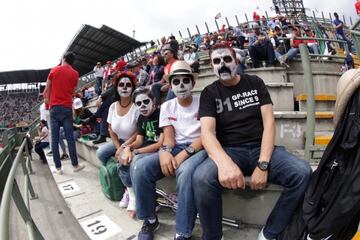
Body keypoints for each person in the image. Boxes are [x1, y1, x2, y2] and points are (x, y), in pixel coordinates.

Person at [193, 44, 312, 240]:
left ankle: (270, 232)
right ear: (212, 67)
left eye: (226, 59)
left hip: (262, 148)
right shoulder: (209, 92)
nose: (222, 65)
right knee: (201, 178)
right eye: (216, 61)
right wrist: (225, 164)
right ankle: (213, 236)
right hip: (230, 150)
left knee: (302, 172)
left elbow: (269, 122)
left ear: (237, 61)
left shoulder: (255, 82)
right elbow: (207, 133)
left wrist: (263, 164)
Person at [131, 61, 207, 240]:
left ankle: (183, 232)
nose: (181, 86)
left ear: (193, 83)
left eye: (185, 81)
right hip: (176, 147)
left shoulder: (203, 102)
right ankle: (150, 219)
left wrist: (184, 154)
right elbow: (169, 137)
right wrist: (165, 152)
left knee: (186, 172)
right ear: (171, 85)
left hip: (200, 147)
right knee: (140, 168)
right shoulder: (167, 106)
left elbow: (207, 135)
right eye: (176, 81)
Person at [117, 87, 164, 218]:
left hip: (158, 151)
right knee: (122, 159)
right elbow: (139, 140)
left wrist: (135, 152)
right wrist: (127, 148)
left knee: (134, 162)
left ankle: (146, 201)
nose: (143, 106)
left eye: (146, 102)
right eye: (139, 103)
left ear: (153, 101)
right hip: (144, 150)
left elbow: (160, 144)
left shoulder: (161, 114)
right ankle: (133, 195)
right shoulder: (141, 118)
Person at [44, 52, 85, 174]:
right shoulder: (75, 73)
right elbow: (72, 91)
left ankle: (58, 168)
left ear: (64, 58)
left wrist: (48, 103)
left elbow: (47, 89)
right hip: (67, 108)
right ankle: (75, 165)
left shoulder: (54, 70)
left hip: (54, 108)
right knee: (70, 139)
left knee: (55, 139)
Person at [96, 71, 139, 166]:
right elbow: (111, 130)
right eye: (121, 84)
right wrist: (118, 146)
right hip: (119, 142)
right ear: (116, 88)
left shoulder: (137, 106)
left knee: (125, 161)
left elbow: (139, 132)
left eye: (128, 85)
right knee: (100, 153)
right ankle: (114, 174)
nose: (124, 87)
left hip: (134, 143)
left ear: (132, 88)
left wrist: (124, 147)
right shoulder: (113, 106)